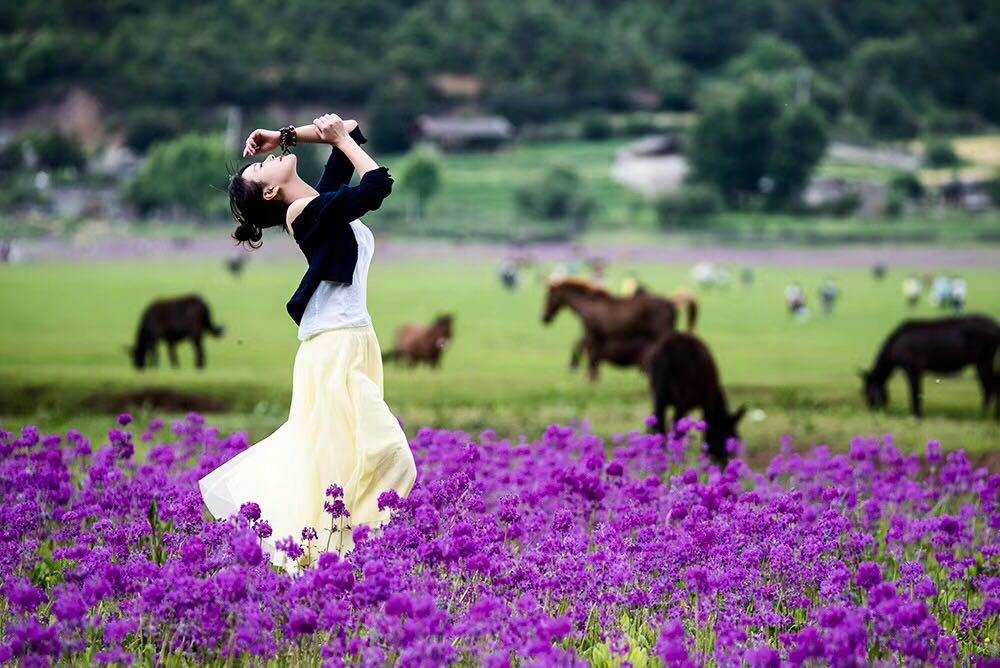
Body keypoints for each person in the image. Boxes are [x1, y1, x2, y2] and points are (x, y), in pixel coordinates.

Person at [198, 114, 417, 573]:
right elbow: (377, 185)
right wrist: (335, 138)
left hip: (354, 341)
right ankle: (335, 559)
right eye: (260, 169)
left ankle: (341, 562)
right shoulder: (306, 213)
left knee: (348, 459)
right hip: (333, 350)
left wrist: (285, 136)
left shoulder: (315, 199)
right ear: (272, 194)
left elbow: (350, 131)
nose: (267, 160)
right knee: (386, 454)